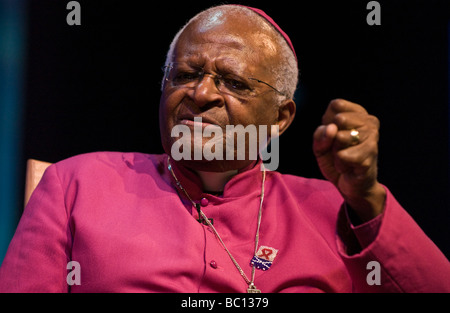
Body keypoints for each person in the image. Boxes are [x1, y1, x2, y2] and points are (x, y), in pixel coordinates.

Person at [0, 4, 449, 293]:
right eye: (185, 74)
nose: (201, 93)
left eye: (232, 83)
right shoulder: (77, 183)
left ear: (280, 118)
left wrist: (368, 200)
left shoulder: (333, 209)